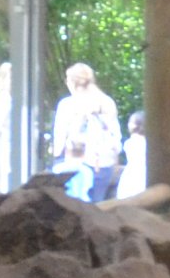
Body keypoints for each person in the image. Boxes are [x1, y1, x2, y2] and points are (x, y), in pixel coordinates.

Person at [50, 62, 122, 201]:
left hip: (74, 167)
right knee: (97, 211)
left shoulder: (67, 105)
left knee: (73, 212)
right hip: (103, 166)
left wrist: (57, 154)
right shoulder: (107, 102)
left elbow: (59, 143)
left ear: (72, 82)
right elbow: (116, 140)